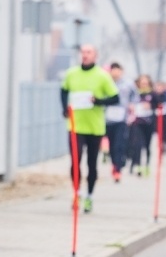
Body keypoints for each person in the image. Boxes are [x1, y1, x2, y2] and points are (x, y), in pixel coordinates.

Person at [60, 45, 119, 213]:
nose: (85, 55)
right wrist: (64, 108)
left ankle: (90, 196)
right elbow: (63, 91)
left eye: (89, 52)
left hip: (95, 127)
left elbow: (115, 98)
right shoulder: (72, 73)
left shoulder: (102, 76)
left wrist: (98, 101)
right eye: (83, 52)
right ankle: (76, 193)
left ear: (95, 56)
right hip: (75, 125)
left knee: (91, 164)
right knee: (75, 161)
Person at [105, 62, 136, 182]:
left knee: (120, 144)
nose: (115, 72)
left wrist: (132, 105)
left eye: (118, 70)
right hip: (108, 117)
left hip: (122, 117)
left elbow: (135, 96)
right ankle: (114, 163)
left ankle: (118, 168)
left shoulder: (128, 83)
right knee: (111, 144)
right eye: (113, 70)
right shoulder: (106, 82)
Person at [128, 74, 158, 177]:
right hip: (137, 122)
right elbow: (128, 102)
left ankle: (147, 165)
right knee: (137, 144)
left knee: (147, 145)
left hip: (149, 122)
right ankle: (137, 164)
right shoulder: (135, 93)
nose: (144, 84)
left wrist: (151, 106)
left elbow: (159, 105)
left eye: (146, 82)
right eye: (142, 82)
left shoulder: (153, 94)